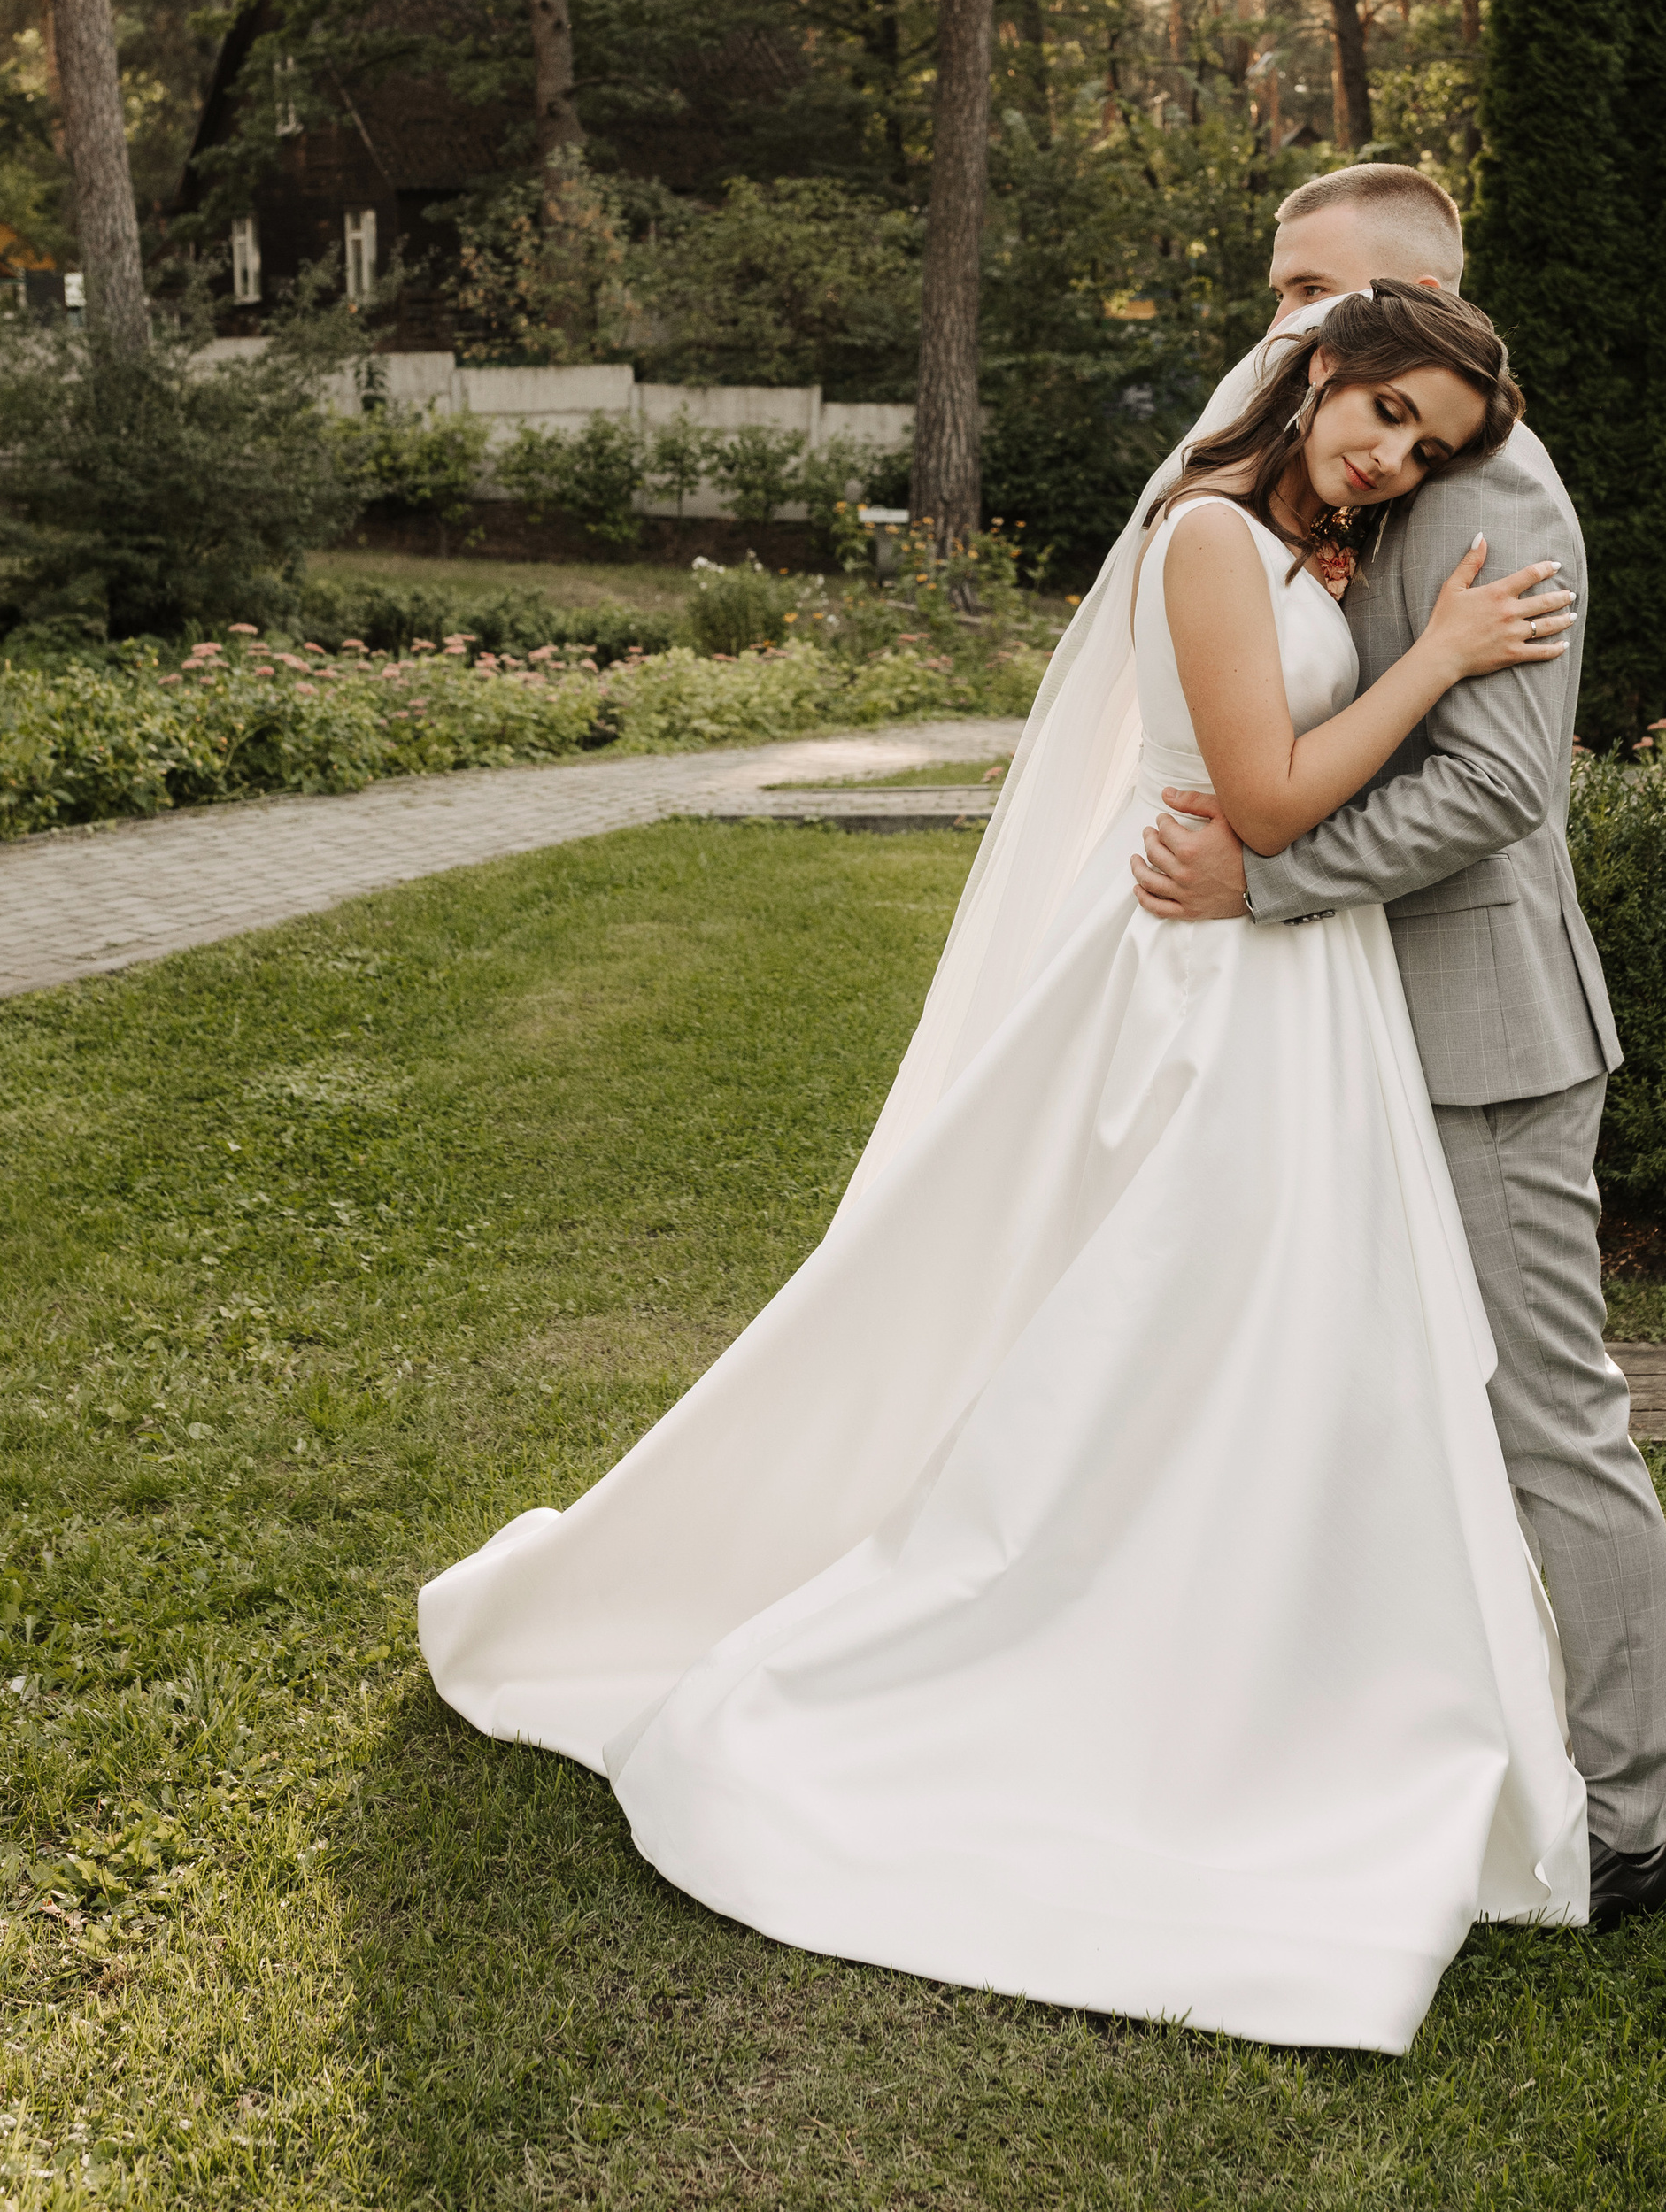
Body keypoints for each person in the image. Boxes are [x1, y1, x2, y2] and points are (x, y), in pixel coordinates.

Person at [420, 275, 1597, 2052]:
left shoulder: (1309, 557)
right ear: (1321, 372)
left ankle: (1276, 1660)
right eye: (1380, 418)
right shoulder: (1206, 536)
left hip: (1305, 995)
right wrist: (1434, 658)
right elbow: (1268, 804)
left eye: (1419, 447)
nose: (1384, 462)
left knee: (1305, 1350)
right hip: (1210, 986)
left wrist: (1378, 619)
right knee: (1166, 1324)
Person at [1133, 165, 1666, 1938]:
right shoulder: (1333, 485)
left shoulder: (1489, 483)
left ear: (1405, 295)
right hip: (1359, 1030)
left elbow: (1505, 787)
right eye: (1279, 288)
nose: (1277, 313)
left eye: (1310, 284)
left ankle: (1619, 1818)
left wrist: (1263, 879)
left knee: (1548, 1422)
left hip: (1485, 1035)